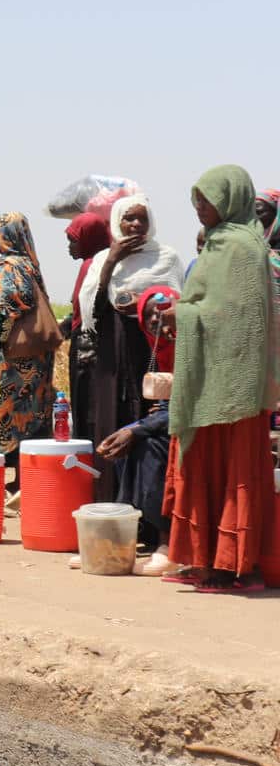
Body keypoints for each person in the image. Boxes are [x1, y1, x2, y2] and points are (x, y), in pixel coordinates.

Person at [160, 165, 276, 592]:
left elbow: (238, 317)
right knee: (200, 466)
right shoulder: (216, 245)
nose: (200, 209)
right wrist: (182, 313)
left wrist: (184, 314)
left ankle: (236, 567)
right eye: (197, 201)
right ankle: (203, 561)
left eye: (207, 200)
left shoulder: (244, 248)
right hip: (207, 379)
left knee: (233, 472)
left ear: (230, 199)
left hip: (235, 386)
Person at [75, 197, 186, 500]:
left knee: (148, 416)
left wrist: (145, 302)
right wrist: (111, 260)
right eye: (128, 219)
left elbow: (177, 302)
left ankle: (148, 509)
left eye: (142, 219)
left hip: (151, 347)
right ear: (116, 222)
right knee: (113, 416)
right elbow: (94, 311)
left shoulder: (166, 257)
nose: (136, 225)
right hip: (114, 347)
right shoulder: (102, 260)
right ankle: (111, 502)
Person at [96, 289, 177, 572]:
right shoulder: (157, 348)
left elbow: (191, 400)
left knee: (147, 446)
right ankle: (126, 536)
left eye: (163, 309)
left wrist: (141, 429)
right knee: (125, 442)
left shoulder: (188, 345)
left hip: (202, 423)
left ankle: (167, 544)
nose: (157, 318)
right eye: (149, 313)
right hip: (176, 417)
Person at [0, 213, 61, 482]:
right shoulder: (29, 265)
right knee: (32, 412)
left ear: (7, 236)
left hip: (14, 359)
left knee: (10, 414)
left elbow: (6, 312)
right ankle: (27, 479)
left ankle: (21, 481)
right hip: (35, 358)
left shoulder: (9, 267)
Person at [63, 213, 112, 444]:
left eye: (74, 240)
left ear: (88, 239)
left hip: (86, 348)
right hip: (91, 346)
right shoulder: (98, 262)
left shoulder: (91, 265)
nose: (69, 247)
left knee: (86, 406)